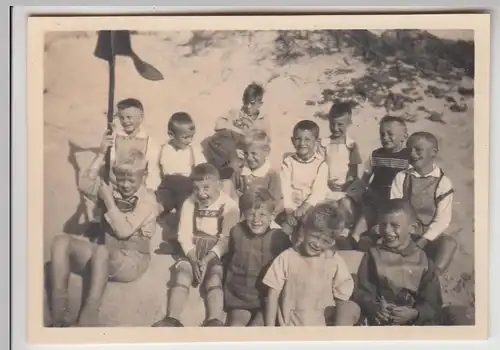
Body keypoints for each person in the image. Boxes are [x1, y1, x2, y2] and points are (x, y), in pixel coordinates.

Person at [49, 145, 159, 327]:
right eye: (120, 178)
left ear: (144, 176)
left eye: (131, 180)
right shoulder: (114, 190)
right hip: (105, 253)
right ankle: (58, 315)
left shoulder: (148, 200)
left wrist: (108, 201)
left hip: (132, 260)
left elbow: (123, 231)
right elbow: (84, 184)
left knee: (101, 251)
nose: (125, 185)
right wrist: (100, 154)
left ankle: (88, 318)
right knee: (61, 242)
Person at [152, 163, 240, 327]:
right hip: (193, 248)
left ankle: (214, 319)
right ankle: (173, 318)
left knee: (215, 278)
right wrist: (193, 259)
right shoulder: (189, 203)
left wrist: (206, 260)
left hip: (216, 252)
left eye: (206, 188)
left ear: (219, 185)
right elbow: (184, 235)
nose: (201, 193)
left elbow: (226, 239)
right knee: (182, 274)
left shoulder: (228, 206)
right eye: (196, 188)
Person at [263, 202, 361, 327]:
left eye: (325, 241)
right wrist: (270, 329)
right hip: (290, 328)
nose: (318, 244)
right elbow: (273, 294)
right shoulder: (287, 257)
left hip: (320, 329)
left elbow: (342, 296)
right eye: (315, 236)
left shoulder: (334, 261)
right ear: (304, 230)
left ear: (332, 242)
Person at [354, 199, 443, 326]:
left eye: (395, 226)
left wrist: (415, 313)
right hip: (380, 320)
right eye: (383, 225)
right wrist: (375, 308)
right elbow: (363, 292)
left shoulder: (424, 261)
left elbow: (433, 303)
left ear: (412, 228)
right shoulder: (373, 256)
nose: (387, 230)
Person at [389, 132, 457, 274]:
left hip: (428, 235)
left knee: (449, 243)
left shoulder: (443, 183)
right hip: (404, 232)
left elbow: (442, 220)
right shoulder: (402, 177)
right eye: (409, 150)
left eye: (418, 150)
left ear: (433, 153)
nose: (413, 154)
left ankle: (432, 278)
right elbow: (395, 210)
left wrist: (424, 240)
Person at [224, 188, 292, 326]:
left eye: (262, 214)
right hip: (241, 296)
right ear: (243, 214)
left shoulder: (279, 236)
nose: (256, 220)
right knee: (235, 327)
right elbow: (230, 260)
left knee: (257, 329)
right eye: (251, 214)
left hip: (267, 298)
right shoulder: (237, 231)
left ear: (272, 216)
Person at [353, 116, 410, 248]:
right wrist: (357, 193)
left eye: (390, 134)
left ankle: (374, 239)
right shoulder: (376, 155)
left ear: (404, 137)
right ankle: (354, 239)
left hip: (396, 199)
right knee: (363, 219)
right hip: (376, 196)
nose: (385, 137)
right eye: (382, 134)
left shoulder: (408, 157)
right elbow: (365, 179)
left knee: (387, 222)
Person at [318, 101, 364, 246]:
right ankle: (326, 230)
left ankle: (344, 230)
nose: (336, 128)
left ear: (349, 122)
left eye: (340, 125)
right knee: (324, 205)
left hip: (346, 186)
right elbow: (320, 165)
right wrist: (326, 181)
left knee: (345, 204)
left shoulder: (351, 145)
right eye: (333, 124)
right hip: (327, 183)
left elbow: (353, 169)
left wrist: (347, 184)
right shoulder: (324, 143)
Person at [203, 82, 269, 179]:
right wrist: (234, 130)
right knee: (214, 140)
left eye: (252, 103)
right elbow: (218, 125)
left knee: (237, 162)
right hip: (230, 147)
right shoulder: (235, 113)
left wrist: (247, 135)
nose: (248, 107)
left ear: (260, 104)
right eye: (246, 103)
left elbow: (265, 141)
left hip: (247, 151)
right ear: (242, 100)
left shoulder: (262, 120)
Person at [277, 120, 329, 239]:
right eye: (298, 139)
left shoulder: (321, 164)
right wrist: (289, 210)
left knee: (308, 229)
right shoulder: (288, 162)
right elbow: (285, 188)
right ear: (292, 140)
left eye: (307, 140)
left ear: (316, 141)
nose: (302, 143)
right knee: (283, 231)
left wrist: (304, 208)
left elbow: (318, 192)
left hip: (310, 207)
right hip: (291, 208)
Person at [156, 112, 206, 218]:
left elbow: (203, 169)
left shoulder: (193, 151)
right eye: (185, 137)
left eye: (191, 137)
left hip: (186, 186)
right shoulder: (162, 150)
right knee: (157, 203)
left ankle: (183, 224)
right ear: (171, 135)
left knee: (186, 205)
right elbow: (155, 171)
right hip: (167, 186)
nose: (189, 140)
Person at [228, 129, 283, 217]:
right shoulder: (240, 172)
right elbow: (230, 190)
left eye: (254, 153)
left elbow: (276, 201)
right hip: (241, 215)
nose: (249, 158)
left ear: (266, 152)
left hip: (262, 217)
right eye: (246, 153)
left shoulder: (271, 175)